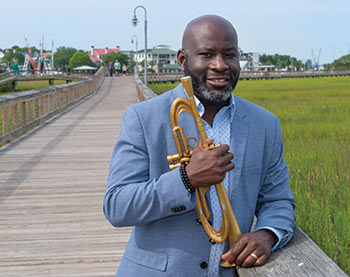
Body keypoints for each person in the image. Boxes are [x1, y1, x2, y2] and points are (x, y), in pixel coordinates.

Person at [104, 15, 295, 277]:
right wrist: (186, 178)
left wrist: (268, 233)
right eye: (207, 54)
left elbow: (278, 199)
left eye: (229, 55)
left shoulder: (265, 124)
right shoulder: (143, 118)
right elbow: (117, 206)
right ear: (183, 59)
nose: (220, 65)